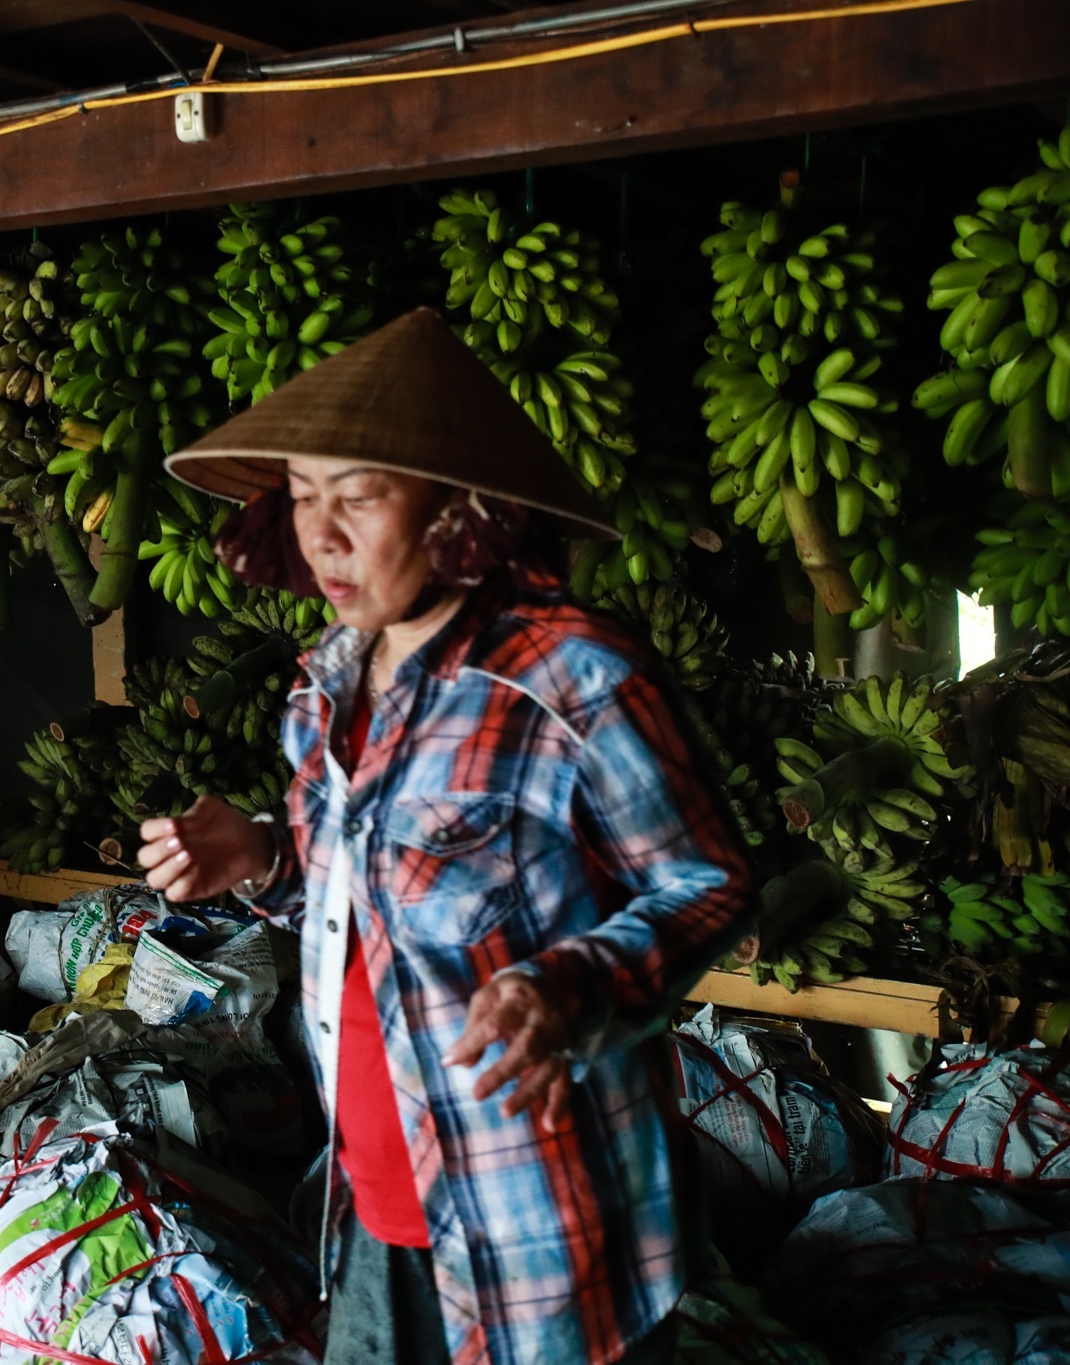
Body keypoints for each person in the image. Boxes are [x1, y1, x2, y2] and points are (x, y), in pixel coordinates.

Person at [137, 309, 752, 1365]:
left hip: (538, 1221)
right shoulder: (326, 680)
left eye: (359, 495)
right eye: (302, 495)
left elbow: (707, 883)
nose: (321, 534)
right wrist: (264, 859)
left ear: (460, 512)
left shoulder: (571, 676)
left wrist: (572, 987)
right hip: (372, 1200)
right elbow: (369, 901)